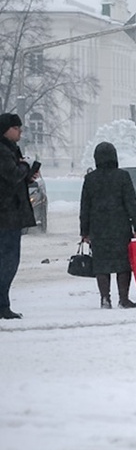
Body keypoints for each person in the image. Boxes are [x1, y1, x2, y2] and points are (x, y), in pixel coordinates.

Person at [79, 142, 136, 309]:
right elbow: (131, 203)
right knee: (123, 264)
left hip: (98, 228)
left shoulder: (90, 179)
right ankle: (123, 298)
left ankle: (105, 299)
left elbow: (85, 206)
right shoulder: (122, 176)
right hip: (120, 226)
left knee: (101, 264)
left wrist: (84, 231)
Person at [0, 113, 38, 319]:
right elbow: (12, 175)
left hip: (9, 213)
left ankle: (3, 303)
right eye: (16, 128)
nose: (20, 131)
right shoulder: (4, 151)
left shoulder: (10, 150)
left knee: (8, 260)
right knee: (8, 261)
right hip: (6, 215)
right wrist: (24, 166)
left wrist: (27, 177)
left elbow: (12, 180)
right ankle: (2, 305)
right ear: (6, 130)